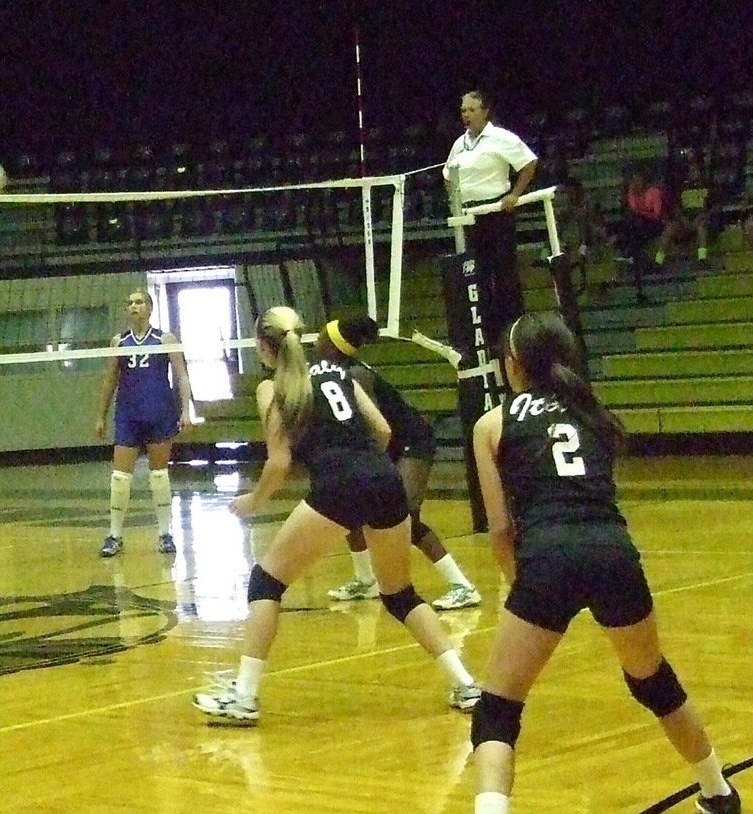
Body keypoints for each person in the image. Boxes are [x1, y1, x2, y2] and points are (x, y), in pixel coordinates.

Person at [428, 312, 742, 814]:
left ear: (513, 363)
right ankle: (719, 793)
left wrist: (522, 588)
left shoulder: (492, 423)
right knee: (653, 679)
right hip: (613, 552)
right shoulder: (594, 415)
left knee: (498, 709)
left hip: (546, 557)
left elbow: (499, 530)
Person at [192, 307, 481, 724]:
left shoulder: (273, 389)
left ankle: (244, 697)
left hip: (337, 485)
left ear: (262, 347)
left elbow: (278, 463)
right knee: (400, 594)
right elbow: (382, 430)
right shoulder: (337, 372)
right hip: (384, 478)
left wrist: (253, 501)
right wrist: (368, 474)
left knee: (266, 582)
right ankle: (465, 684)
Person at [320, 317, 481, 611]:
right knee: (350, 508)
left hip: (411, 441)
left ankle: (462, 586)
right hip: (390, 444)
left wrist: (366, 462)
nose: (316, 342)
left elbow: (378, 427)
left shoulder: (356, 375)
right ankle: (365, 580)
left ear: (333, 345)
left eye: (322, 337)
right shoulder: (336, 373)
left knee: (406, 517)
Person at [93, 288, 193, 557]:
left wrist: (186, 411)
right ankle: (114, 535)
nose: (133, 306)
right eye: (130, 302)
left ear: (149, 308)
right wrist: (101, 416)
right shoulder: (119, 342)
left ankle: (165, 534)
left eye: (139, 302)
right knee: (120, 478)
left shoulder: (164, 339)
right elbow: (109, 381)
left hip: (159, 413)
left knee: (159, 476)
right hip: (128, 415)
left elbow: (182, 376)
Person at [444, 90, 538, 349]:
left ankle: (515, 331)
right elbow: (448, 176)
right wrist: (456, 202)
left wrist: (515, 194)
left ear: (485, 111)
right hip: (469, 215)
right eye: (463, 110)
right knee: (477, 276)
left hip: (496, 211)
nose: (466, 115)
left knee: (504, 273)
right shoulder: (459, 144)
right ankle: (488, 336)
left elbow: (529, 163)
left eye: (471, 110)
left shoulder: (501, 138)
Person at [657, 156, 715, 267]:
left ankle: (702, 258)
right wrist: (684, 220)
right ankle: (658, 260)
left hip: (701, 219)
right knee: (669, 228)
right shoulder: (681, 187)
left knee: (701, 227)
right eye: (691, 171)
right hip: (684, 221)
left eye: (696, 170)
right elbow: (676, 207)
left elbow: (713, 206)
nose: (694, 173)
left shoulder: (708, 186)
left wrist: (701, 217)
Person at [611, 166, 668, 265]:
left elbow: (657, 215)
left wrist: (641, 213)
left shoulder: (654, 192)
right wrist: (631, 192)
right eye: (634, 179)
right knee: (630, 223)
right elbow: (633, 209)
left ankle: (627, 250)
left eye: (638, 179)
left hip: (655, 223)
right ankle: (627, 251)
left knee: (636, 223)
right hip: (639, 223)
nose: (636, 182)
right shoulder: (634, 193)